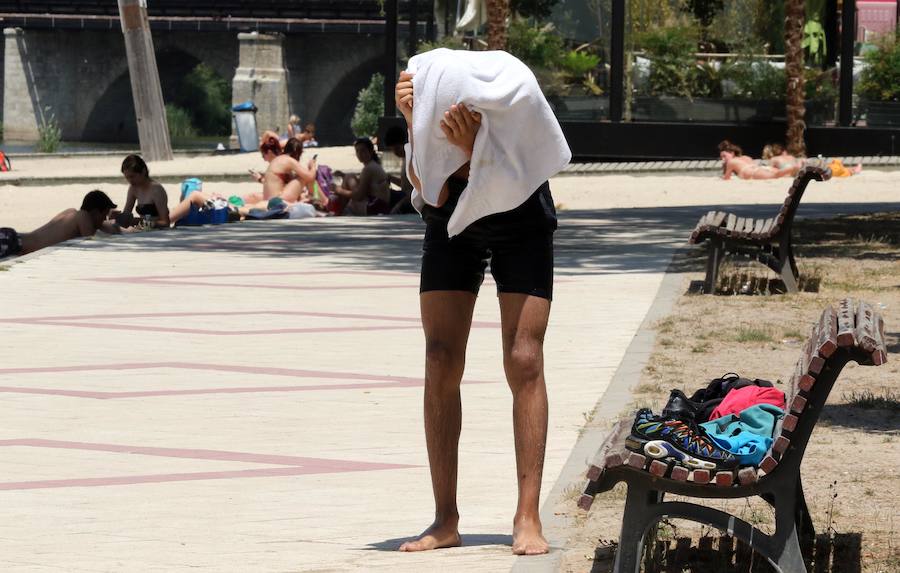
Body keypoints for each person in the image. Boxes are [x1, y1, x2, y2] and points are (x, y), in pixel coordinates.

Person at [393, 48, 571, 556]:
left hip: (522, 217)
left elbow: (515, 173)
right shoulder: (428, 111)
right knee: (439, 359)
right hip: (451, 222)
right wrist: (414, 121)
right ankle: (445, 518)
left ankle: (527, 515)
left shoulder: (511, 106)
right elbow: (428, 188)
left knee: (524, 359)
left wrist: (477, 148)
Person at [1, 190, 121, 259]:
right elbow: (93, 244)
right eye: (104, 215)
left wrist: (113, 225)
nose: (104, 219)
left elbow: (99, 224)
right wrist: (116, 226)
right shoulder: (82, 217)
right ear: (95, 212)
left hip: (11, 238)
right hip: (13, 243)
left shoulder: (71, 213)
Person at [330, 138, 391, 216]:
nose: (360, 154)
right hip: (379, 205)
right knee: (349, 176)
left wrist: (338, 190)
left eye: (363, 151)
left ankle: (338, 212)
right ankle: (339, 211)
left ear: (371, 151)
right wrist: (344, 176)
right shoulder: (373, 165)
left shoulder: (369, 168)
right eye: (357, 151)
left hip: (375, 207)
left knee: (349, 177)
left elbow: (359, 195)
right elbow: (363, 184)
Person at [117, 155, 170, 228]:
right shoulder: (133, 189)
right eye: (127, 178)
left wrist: (141, 222)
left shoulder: (156, 190)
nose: (130, 180)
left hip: (158, 231)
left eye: (132, 176)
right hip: (144, 230)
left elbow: (165, 223)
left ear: (143, 171)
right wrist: (117, 217)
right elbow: (126, 214)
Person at [718, 140, 794, 180]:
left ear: (732, 153)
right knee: (783, 174)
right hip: (760, 168)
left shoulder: (731, 162)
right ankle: (794, 168)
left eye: (724, 156)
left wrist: (724, 166)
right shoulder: (746, 157)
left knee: (775, 175)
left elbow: (726, 178)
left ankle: (794, 167)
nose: (723, 159)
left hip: (752, 173)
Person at [383, 126, 416, 214]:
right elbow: (405, 184)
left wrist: (399, 205)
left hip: (412, 201)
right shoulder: (405, 159)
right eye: (392, 149)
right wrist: (391, 178)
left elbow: (414, 189)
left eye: (397, 148)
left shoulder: (412, 160)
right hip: (405, 197)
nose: (395, 152)